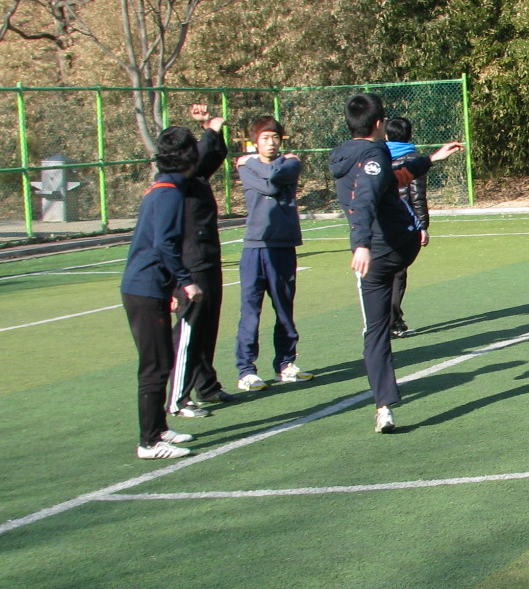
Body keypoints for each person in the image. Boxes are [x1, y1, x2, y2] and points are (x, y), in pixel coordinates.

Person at [328, 93, 462, 433]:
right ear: (379, 124)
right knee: (378, 325)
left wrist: (430, 159)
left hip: (377, 256)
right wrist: (361, 244)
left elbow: (391, 179)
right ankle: (384, 407)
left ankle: (383, 406)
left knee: (374, 332)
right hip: (394, 247)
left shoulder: (343, 156)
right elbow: (366, 197)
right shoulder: (376, 152)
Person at [120, 128, 203, 459]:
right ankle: (149, 442)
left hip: (151, 286)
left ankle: (159, 428)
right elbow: (164, 244)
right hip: (144, 288)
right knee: (154, 365)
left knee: (163, 359)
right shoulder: (168, 193)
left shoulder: (162, 188)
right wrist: (185, 281)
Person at [233, 117, 311, 391]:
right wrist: (252, 165)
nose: (271, 142)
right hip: (255, 246)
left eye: (275, 137)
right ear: (255, 141)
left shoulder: (290, 163)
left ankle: (285, 364)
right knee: (250, 310)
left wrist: (249, 162)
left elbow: (274, 181)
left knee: (284, 309)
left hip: (283, 245)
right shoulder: (249, 167)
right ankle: (246, 370)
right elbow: (270, 187)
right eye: (265, 138)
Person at [169, 102, 232, 416]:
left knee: (207, 327)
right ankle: (179, 398)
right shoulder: (176, 180)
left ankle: (206, 386)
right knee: (189, 331)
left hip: (207, 259)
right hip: (190, 264)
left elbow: (215, 154)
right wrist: (210, 129)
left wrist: (209, 127)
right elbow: (205, 152)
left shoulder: (196, 177)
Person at [383, 116, 433, 339]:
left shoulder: (379, 156)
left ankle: (386, 320)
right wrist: (422, 226)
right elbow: (417, 196)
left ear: (386, 135)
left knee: (382, 272)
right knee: (398, 272)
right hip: (403, 223)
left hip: (381, 222)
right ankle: (393, 321)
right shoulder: (413, 159)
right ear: (410, 135)